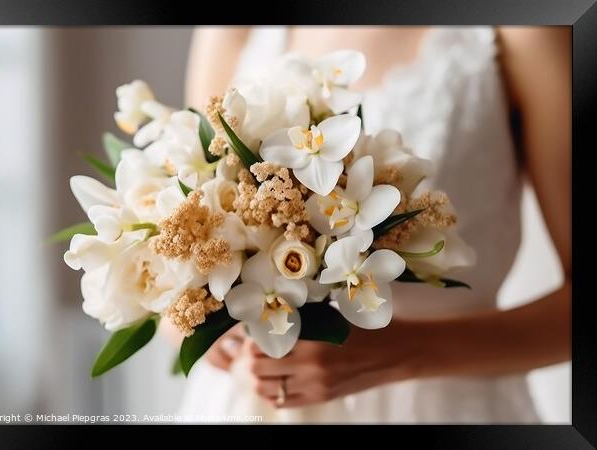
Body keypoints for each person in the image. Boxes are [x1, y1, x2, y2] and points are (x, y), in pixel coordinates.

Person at [170, 26, 570, 423]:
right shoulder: (231, 30)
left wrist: (401, 351)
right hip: (244, 401)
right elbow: (189, 237)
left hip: (439, 406)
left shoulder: (522, 30)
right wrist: (206, 331)